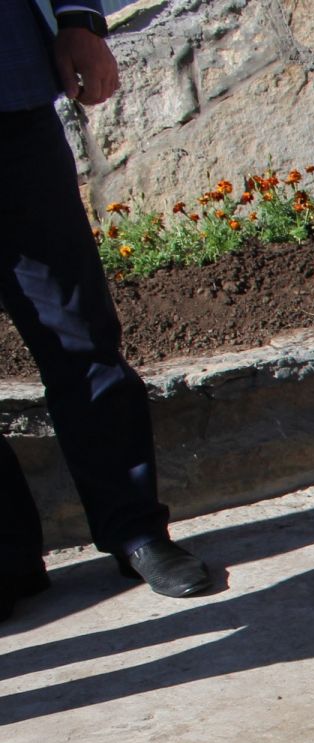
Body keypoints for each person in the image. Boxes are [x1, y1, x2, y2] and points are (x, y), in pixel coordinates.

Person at [0, 0, 213, 623]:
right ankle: (8, 560)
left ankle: (136, 532)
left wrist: (79, 19)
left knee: (78, 333)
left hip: (8, 101)